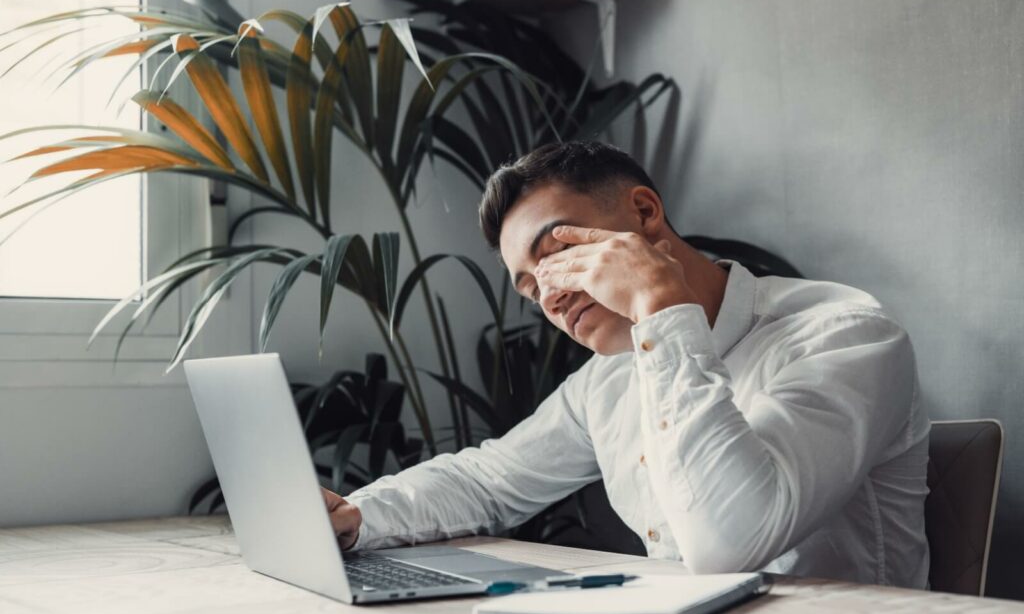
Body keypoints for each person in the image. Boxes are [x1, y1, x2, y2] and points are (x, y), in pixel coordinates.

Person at [320, 140, 930, 587]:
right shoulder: (608, 379)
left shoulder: (845, 335)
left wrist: (661, 305)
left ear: (643, 213)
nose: (551, 297)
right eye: (531, 288)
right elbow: (488, 480)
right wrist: (358, 516)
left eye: (558, 254)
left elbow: (730, 542)